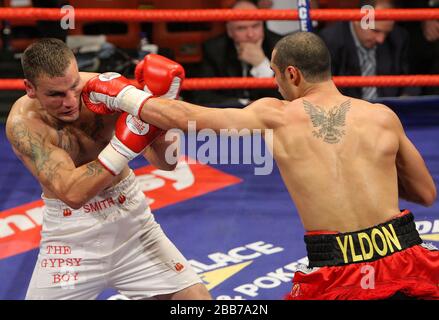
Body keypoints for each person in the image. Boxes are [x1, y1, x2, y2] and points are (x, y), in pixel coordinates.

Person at [84, 32, 438, 300]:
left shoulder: (276, 115)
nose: (275, 84)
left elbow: (189, 117)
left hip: (337, 269)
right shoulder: (384, 117)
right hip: (408, 257)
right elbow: (425, 193)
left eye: (275, 74)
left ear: (293, 74)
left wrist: (123, 94)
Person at [5, 38, 211, 300]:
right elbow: (73, 193)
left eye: (73, 87)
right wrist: (124, 146)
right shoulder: (24, 124)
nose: (69, 101)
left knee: (196, 302)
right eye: (55, 94)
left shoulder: (108, 91)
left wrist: (161, 116)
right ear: (30, 89)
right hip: (70, 237)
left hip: (132, 222)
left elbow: (167, 162)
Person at [319, 0, 420, 100]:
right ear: (357, 19)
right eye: (375, 31)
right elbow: (323, 90)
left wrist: (404, 100)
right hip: (349, 112)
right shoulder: (330, 41)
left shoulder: (398, 38)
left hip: (388, 110)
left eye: (386, 33)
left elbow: (411, 80)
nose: (381, 39)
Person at [190, 0, 282, 107]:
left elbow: (287, 96)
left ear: (263, 25)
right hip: (230, 116)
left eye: (255, 26)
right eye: (241, 28)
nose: (250, 34)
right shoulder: (214, 49)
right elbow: (201, 96)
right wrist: (244, 104)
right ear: (229, 31)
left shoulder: (279, 45)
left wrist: (261, 64)